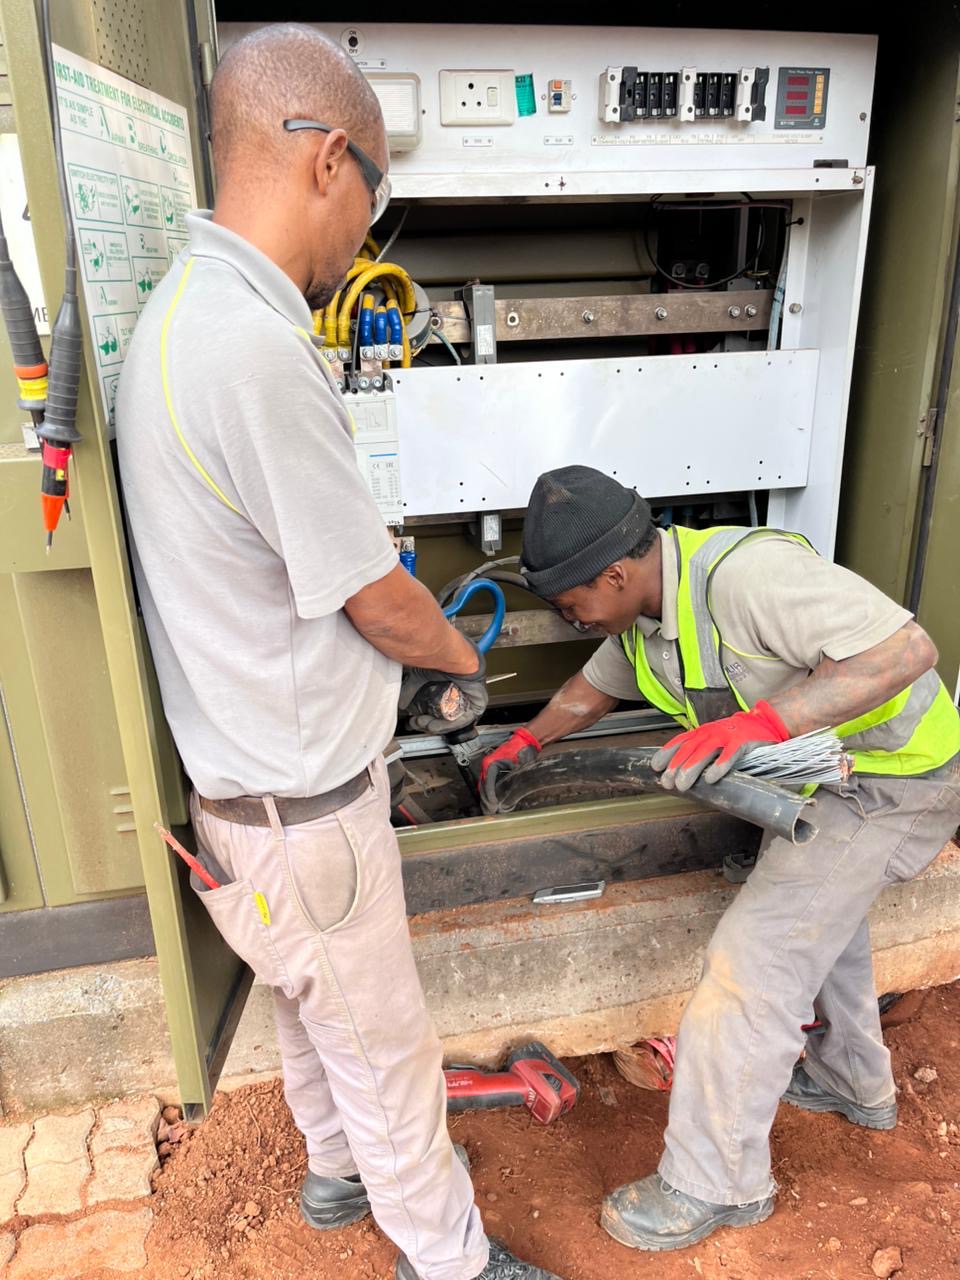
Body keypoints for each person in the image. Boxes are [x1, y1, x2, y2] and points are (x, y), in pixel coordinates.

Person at [116, 24, 560, 1280]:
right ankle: (452, 1260)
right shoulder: (252, 349)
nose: (367, 233)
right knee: (385, 1046)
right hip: (309, 815)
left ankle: (331, 1171)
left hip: (245, 803)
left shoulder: (185, 313)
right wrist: (457, 661)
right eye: (374, 194)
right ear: (326, 161)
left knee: (314, 1005)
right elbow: (373, 595)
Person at [480, 464, 960, 1253]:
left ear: (615, 573)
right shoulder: (642, 618)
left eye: (570, 604)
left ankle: (715, 1182)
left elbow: (906, 649)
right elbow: (592, 689)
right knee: (819, 921)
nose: (570, 619)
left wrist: (764, 723)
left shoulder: (746, 579)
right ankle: (851, 1081)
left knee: (753, 963)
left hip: (895, 781)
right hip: (830, 777)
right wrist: (527, 741)